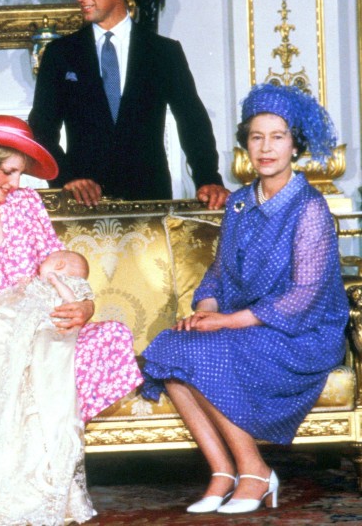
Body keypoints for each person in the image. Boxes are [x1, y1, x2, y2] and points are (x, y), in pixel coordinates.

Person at [0, 115, 143, 525]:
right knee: (15, 372)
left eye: (20, 173)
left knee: (111, 337)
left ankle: (39, 477)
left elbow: (60, 273)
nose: (16, 183)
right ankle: (14, 490)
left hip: (37, 327)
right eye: (9, 172)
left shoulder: (28, 206)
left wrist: (83, 309)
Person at [141, 84, 347, 515]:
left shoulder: (309, 208)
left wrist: (228, 323)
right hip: (245, 321)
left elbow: (304, 298)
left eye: (277, 137)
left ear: (295, 145)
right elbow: (219, 272)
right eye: (256, 137)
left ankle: (254, 469)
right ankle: (222, 471)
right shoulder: (238, 203)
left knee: (208, 352)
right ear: (245, 145)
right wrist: (207, 309)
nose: (266, 147)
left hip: (301, 333)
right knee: (171, 347)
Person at [29, 0, 229, 209]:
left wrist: (208, 178)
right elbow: (41, 129)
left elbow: (192, 121)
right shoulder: (59, 54)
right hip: (82, 202)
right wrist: (67, 178)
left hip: (150, 198)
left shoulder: (164, 52)